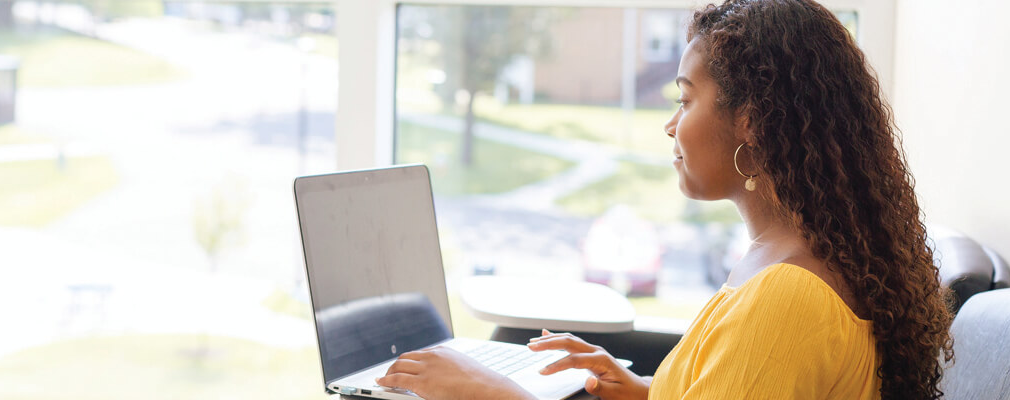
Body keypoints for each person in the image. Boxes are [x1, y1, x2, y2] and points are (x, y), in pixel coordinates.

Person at [376, 0, 954, 398]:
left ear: (751, 121)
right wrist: (646, 391)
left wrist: (490, 391)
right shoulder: (790, 262)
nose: (671, 125)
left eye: (685, 99)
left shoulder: (789, 296)